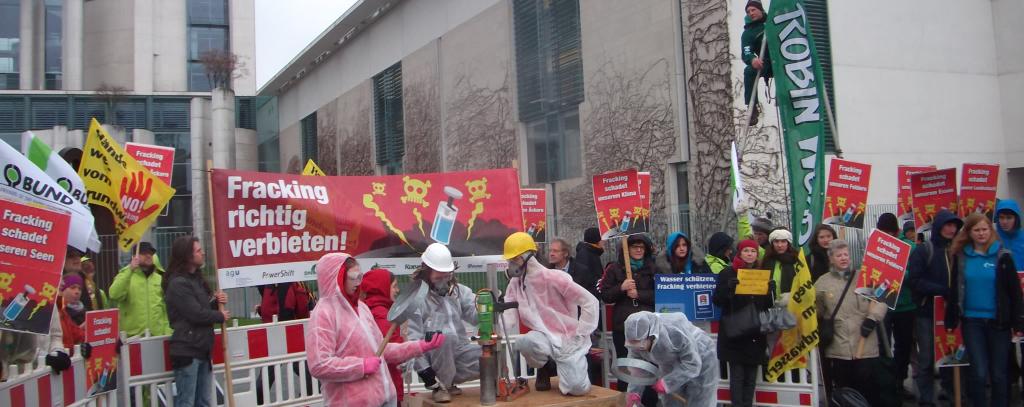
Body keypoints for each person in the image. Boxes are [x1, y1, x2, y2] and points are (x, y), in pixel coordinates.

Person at [306, 252, 444, 407]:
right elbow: (319, 365)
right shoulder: (323, 314)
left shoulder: (362, 308)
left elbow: (382, 349)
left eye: (360, 277)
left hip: (385, 399)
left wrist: (419, 346)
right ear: (336, 278)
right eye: (353, 277)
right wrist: (361, 366)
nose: (358, 282)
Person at [501, 232, 599, 396]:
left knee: (577, 389)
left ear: (529, 257)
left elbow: (589, 301)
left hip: (567, 338)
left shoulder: (555, 278)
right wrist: (492, 321)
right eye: (510, 260)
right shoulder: (515, 284)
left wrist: (581, 332)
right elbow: (509, 316)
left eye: (515, 259)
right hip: (543, 337)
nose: (511, 264)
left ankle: (571, 368)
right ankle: (544, 368)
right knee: (525, 342)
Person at [945, 213, 1022, 407]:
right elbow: (954, 289)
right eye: (976, 230)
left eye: (984, 229)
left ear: (991, 231)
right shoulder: (961, 257)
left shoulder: (1003, 257)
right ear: (969, 232)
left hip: (999, 322)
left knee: (998, 374)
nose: (981, 233)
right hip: (972, 322)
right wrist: (951, 319)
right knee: (978, 372)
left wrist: (1018, 322)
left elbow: (1015, 293)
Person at [815, 239, 889, 405]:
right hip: (839, 347)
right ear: (831, 259)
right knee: (846, 392)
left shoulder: (864, 276)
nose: (843, 258)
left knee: (868, 389)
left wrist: (873, 318)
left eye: (846, 254)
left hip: (865, 345)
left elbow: (882, 298)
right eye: (839, 255)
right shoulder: (822, 283)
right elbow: (816, 308)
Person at [407, 243, 480, 402]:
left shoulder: (458, 291)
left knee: (488, 358)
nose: (443, 282)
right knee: (444, 336)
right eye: (438, 278)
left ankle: (449, 383)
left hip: (459, 353)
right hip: (435, 359)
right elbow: (413, 340)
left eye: (446, 276)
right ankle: (440, 386)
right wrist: (426, 372)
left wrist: (485, 308)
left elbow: (475, 317)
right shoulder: (417, 299)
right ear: (427, 273)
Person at [904, 210, 962, 406]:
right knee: (927, 358)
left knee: (951, 355)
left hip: (951, 312)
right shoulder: (923, 250)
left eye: (954, 225)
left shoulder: (959, 250)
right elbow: (914, 280)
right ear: (938, 226)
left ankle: (952, 394)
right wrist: (941, 290)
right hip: (927, 313)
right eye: (947, 225)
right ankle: (926, 399)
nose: (951, 229)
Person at [163, 236, 228, 407]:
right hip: (187, 351)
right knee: (187, 402)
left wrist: (215, 303)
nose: (203, 253)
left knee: (203, 401)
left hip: (201, 349)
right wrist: (219, 316)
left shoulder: (195, 280)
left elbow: (202, 308)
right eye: (198, 251)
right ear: (187, 256)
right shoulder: (178, 284)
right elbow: (195, 314)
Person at [599, 234, 659, 401]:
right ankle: (626, 402)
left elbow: (661, 294)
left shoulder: (653, 268)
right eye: (634, 247)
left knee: (649, 368)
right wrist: (621, 288)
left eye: (642, 247)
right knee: (627, 369)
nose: (639, 250)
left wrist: (639, 294)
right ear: (626, 249)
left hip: (648, 328)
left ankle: (649, 402)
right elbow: (605, 295)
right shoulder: (615, 269)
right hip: (624, 329)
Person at [715, 239, 770, 407]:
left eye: (753, 251)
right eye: (746, 251)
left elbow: (766, 305)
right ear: (739, 253)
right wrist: (729, 289)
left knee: (751, 376)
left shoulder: (761, 273)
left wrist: (771, 292)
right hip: (736, 332)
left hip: (754, 332)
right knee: (737, 376)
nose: (750, 254)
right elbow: (717, 300)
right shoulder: (727, 273)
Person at [623, 311, 719, 407]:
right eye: (633, 344)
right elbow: (637, 370)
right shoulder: (635, 342)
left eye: (640, 343)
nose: (638, 348)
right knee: (670, 401)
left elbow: (693, 364)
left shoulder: (673, 330)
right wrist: (633, 393)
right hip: (669, 362)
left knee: (699, 398)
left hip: (701, 355)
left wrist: (668, 383)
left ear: (651, 336)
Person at [885, 219, 918, 399]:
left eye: (890, 232)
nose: (888, 236)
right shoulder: (876, 246)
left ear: (897, 231)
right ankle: (885, 382)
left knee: (903, 345)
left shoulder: (911, 248)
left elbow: (916, 273)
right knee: (882, 347)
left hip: (906, 305)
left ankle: (899, 382)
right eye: (884, 232)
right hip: (883, 305)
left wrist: (896, 272)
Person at [109, 242, 171, 337]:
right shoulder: (126, 275)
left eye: (151, 253)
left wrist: (167, 331)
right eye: (144, 253)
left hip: (157, 336)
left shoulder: (159, 278)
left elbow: (165, 308)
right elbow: (114, 294)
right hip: (133, 338)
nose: (148, 255)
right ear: (135, 256)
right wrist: (130, 269)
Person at [361, 268, 405, 403]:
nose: (397, 290)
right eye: (394, 286)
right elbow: (393, 349)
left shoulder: (366, 308)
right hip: (387, 383)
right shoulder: (381, 313)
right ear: (383, 287)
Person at [741, 0, 773, 126]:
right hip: (767, 64)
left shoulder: (773, 21)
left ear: (760, 10)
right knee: (749, 71)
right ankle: (752, 107)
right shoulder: (749, 33)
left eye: (753, 10)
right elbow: (746, 52)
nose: (751, 13)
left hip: (783, 59)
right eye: (748, 11)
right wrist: (753, 60)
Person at [759, 229, 801, 297]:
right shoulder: (767, 260)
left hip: (793, 303)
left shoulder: (797, 260)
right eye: (776, 241)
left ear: (788, 243)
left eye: (783, 241)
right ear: (772, 244)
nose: (779, 245)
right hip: (771, 303)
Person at [57, 274, 86, 354]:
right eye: (72, 287)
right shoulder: (55, 309)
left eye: (80, 289)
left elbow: (76, 333)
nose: (77, 292)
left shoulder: (61, 309)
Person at [574, 227, 605, 301]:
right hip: (589, 298)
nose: (604, 241)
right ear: (596, 239)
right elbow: (584, 279)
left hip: (592, 296)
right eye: (602, 238)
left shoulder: (592, 252)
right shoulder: (585, 254)